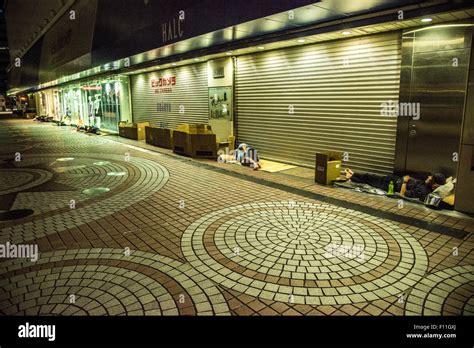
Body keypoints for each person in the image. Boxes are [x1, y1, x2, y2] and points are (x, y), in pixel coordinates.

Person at [344, 169, 446, 201]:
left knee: (370, 179)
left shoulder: (423, 191)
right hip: (395, 180)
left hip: (391, 185)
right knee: (371, 176)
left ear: (434, 183)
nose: (428, 177)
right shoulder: (424, 184)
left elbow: (402, 194)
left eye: (430, 178)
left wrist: (405, 181)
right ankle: (354, 175)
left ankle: (352, 176)